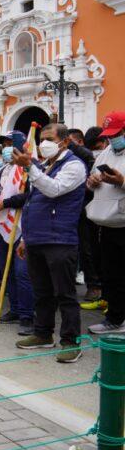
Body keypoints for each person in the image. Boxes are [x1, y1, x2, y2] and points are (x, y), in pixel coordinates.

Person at [14, 124, 86, 363]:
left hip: (60, 240)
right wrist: (25, 237)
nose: (43, 143)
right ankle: (43, 334)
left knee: (64, 293)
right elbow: (33, 202)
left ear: (64, 142)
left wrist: (29, 168)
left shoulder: (74, 166)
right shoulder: (45, 165)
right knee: (42, 292)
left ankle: (71, 342)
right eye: (41, 139)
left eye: (48, 139)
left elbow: (54, 190)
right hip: (37, 239)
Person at [0, 145, 35, 336]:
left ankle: (27, 315)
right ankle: (14, 309)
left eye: (11, 146)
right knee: (7, 271)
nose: (7, 153)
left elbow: (30, 196)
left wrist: (5, 203)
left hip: (23, 226)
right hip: (1, 225)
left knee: (22, 273)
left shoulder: (30, 170)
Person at [86, 112, 125, 334]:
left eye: (117, 134)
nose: (112, 140)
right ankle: (115, 318)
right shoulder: (105, 154)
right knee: (112, 275)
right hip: (107, 222)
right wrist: (92, 182)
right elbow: (91, 181)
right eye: (109, 135)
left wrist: (122, 181)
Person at [80, 126, 107, 309]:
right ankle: (101, 292)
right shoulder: (97, 158)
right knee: (89, 250)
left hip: (110, 214)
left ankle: (101, 289)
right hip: (88, 210)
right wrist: (91, 182)